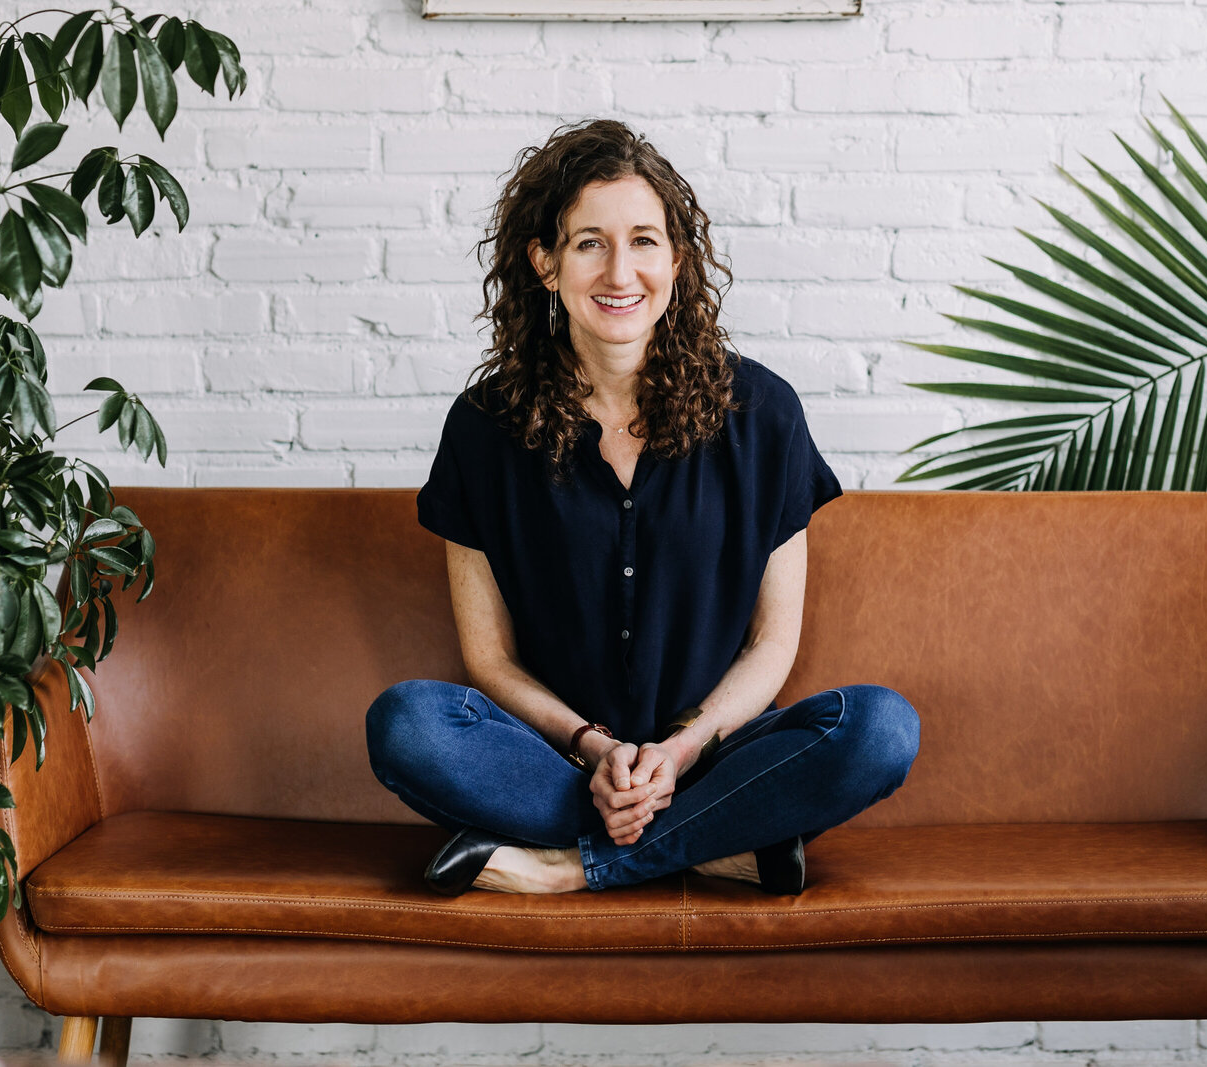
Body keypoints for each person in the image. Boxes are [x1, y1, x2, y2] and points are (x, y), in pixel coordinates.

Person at [365, 118, 919, 897]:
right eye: (589, 242)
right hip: (556, 763)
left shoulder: (763, 413)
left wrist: (678, 754)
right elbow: (489, 659)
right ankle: (713, 845)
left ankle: (568, 867)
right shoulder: (482, 427)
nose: (619, 269)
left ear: (677, 261)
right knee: (405, 725)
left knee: (880, 730)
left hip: (715, 759)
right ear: (546, 264)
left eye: (644, 241)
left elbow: (772, 642)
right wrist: (598, 752)